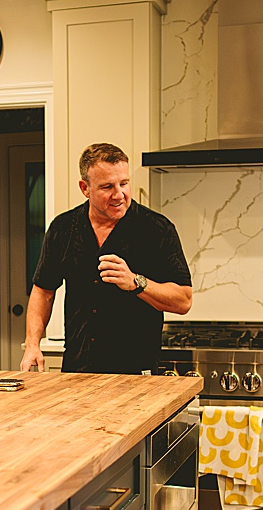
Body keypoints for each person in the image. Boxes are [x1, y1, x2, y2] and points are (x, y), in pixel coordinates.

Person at [18, 142, 192, 374]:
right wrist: (32, 345)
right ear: (85, 188)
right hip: (78, 369)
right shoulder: (63, 228)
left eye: (124, 183)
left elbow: (184, 301)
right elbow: (43, 291)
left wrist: (136, 283)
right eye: (107, 186)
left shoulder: (156, 229)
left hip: (136, 372)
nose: (119, 194)